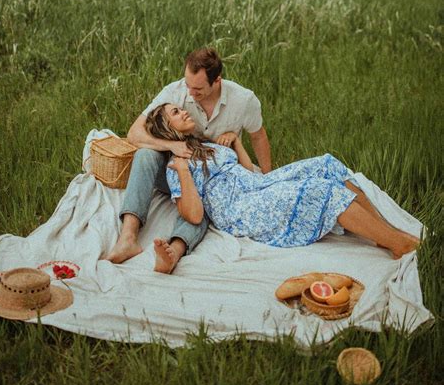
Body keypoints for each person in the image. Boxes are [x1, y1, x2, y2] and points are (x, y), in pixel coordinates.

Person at [144, 103, 420, 267]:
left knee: (325, 163)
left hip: (257, 184)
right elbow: (193, 214)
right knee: (321, 191)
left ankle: (385, 232)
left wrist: (238, 143)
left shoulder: (204, 146)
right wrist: (181, 169)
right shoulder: (175, 167)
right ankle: (397, 242)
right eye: (176, 113)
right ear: (169, 130)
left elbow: (244, 170)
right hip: (242, 207)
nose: (184, 112)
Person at [105, 47, 272, 273]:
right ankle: (128, 238)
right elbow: (134, 134)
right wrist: (171, 145)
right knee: (145, 154)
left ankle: (174, 251)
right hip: (175, 166)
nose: (190, 93)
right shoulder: (175, 92)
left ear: (217, 81)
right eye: (188, 84)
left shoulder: (243, 100)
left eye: (198, 89)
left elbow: (258, 136)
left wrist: (267, 177)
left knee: (203, 196)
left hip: (213, 172)